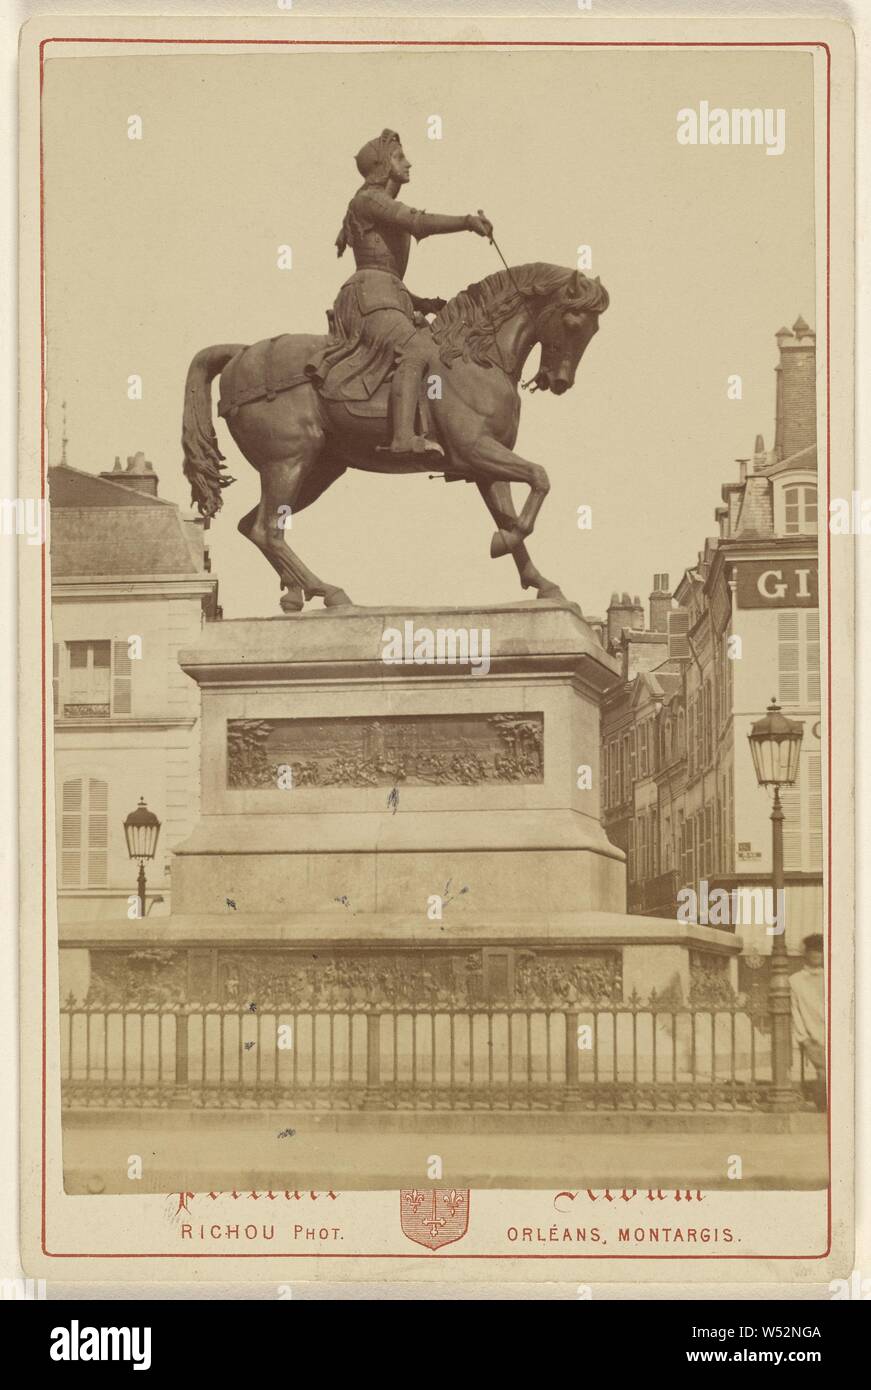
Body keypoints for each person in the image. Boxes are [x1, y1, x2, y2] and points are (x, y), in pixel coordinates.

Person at [307, 129, 493, 460]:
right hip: (369, 300)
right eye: (399, 157)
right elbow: (415, 222)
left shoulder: (375, 201)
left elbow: (387, 273)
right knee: (418, 348)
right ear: (382, 165)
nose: (409, 163)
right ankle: (404, 437)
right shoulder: (370, 199)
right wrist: (466, 222)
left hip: (387, 295)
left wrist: (425, 303)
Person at [789, 933, 826, 1110]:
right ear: (806, 954)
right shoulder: (795, 981)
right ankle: (823, 1107)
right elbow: (794, 1010)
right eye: (812, 952)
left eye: (819, 952)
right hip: (813, 1036)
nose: (816, 956)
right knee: (823, 1072)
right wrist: (803, 1037)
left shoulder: (832, 977)